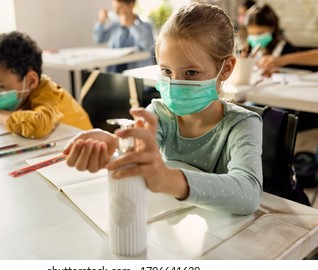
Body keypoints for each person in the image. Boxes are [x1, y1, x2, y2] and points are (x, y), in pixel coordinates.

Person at [64, 3, 263, 215]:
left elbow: (248, 194)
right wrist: (115, 146)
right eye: (166, 71)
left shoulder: (242, 125)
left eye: (191, 73)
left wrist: (167, 179)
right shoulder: (159, 113)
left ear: (227, 69)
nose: (175, 83)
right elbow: (139, 153)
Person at [93, 0, 155, 73]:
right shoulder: (115, 26)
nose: (116, 12)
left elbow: (149, 46)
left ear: (131, 4)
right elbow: (98, 39)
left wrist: (131, 26)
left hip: (135, 74)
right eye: (114, 8)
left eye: (120, 8)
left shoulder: (145, 25)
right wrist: (101, 21)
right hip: (114, 72)